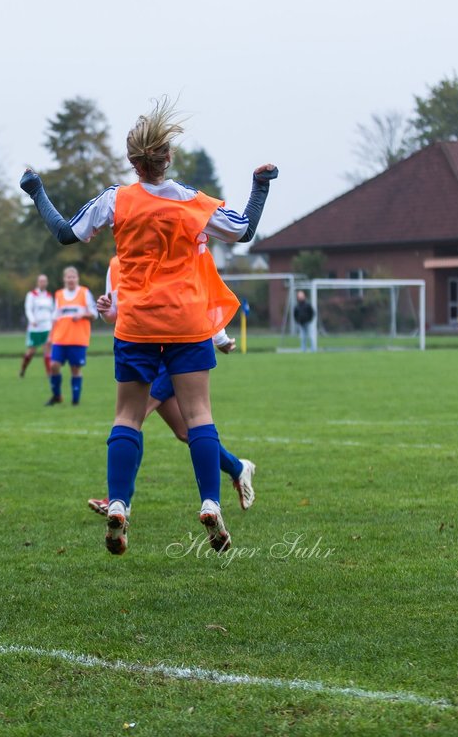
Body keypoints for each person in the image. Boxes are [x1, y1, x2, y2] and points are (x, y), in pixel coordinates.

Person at [21, 97, 277, 555]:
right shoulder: (191, 202)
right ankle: (209, 501)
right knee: (198, 417)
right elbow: (244, 230)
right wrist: (260, 185)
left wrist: (36, 189)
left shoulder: (115, 200)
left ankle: (119, 501)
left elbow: (64, 232)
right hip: (186, 321)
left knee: (127, 417)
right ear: (167, 157)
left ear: (132, 160)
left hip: (135, 322)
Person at [86, 255, 255, 516]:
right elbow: (114, 313)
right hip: (141, 348)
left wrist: (219, 336)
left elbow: (195, 294)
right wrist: (106, 308)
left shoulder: (170, 249)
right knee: (185, 431)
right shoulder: (116, 263)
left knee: (132, 418)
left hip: (171, 352)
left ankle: (119, 500)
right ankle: (238, 468)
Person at [45, 266, 98, 405]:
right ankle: (57, 396)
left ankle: (75, 401)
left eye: (73, 277)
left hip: (78, 339)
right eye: (68, 277)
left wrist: (82, 315)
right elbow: (55, 317)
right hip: (60, 338)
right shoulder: (59, 295)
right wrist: (50, 336)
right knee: (54, 365)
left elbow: (94, 314)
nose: (71, 280)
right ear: (64, 279)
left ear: (77, 278)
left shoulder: (84, 293)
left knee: (75, 369)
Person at [19, 273, 55, 378]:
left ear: (47, 283)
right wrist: (32, 320)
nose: (43, 283)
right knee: (31, 351)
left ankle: (49, 374)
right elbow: (28, 309)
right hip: (35, 328)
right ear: (37, 282)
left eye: (45, 281)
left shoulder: (49, 296)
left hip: (47, 327)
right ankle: (23, 369)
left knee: (47, 349)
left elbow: (52, 311)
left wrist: (52, 323)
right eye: (41, 281)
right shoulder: (31, 295)